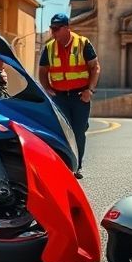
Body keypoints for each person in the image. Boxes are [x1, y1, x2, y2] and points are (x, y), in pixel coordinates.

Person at [38, 13, 101, 179]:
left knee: (78, 131)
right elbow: (43, 70)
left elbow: (95, 67)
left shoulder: (83, 43)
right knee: (61, 132)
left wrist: (90, 91)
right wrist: (47, 88)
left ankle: (77, 166)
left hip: (80, 97)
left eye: (57, 29)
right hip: (59, 97)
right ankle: (63, 165)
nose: (53, 32)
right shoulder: (49, 47)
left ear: (67, 28)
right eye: (52, 29)